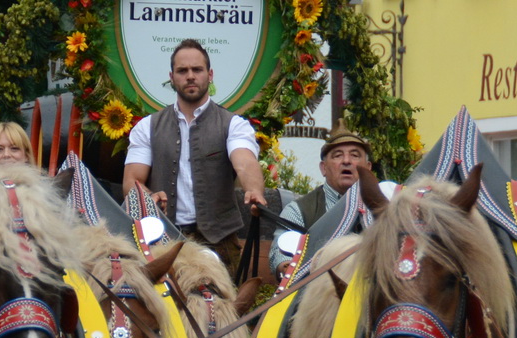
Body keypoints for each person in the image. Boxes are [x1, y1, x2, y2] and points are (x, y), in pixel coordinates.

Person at [121, 39, 272, 266]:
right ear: (171, 77)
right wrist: (148, 198)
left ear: (209, 75)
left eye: (197, 70)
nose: (190, 76)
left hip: (219, 241)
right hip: (162, 239)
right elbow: (132, 181)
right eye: (182, 71)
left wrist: (254, 190)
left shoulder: (234, 124)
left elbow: (244, 162)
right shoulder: (147, 127)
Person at [269, 126, 374, 276]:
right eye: (337, 155)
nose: (346, 161)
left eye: (355, 155)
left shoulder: (384, 207)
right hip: (319, 292)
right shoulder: (299, 210)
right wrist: (286, 266)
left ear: (368, 168)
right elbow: (280, 255)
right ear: (323, 168)